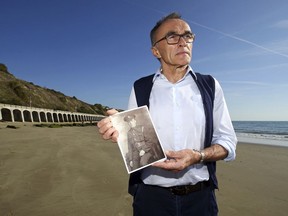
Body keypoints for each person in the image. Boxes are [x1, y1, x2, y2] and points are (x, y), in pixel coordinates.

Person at [98, 12, 237, 216]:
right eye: (172, 36)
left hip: (200, 200)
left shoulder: (210, 85)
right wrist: (117, 129)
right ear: (156, 51)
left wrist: (197, 156)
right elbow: (134, 144)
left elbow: (228, 142)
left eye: (188, 36)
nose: (183, 42)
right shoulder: (140, 87)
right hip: (150, 200)